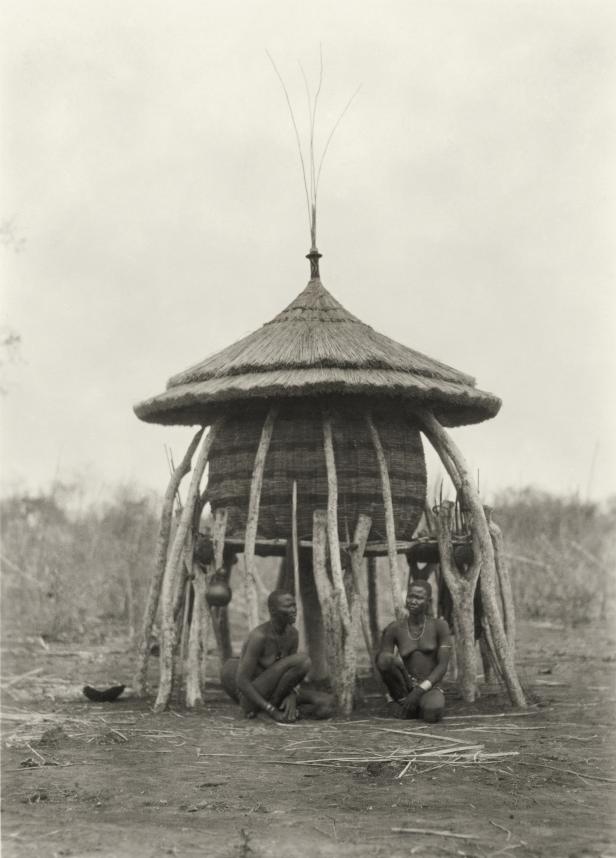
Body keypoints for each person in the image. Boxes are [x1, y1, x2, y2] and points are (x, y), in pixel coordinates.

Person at [221, 589, 334, 723]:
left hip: (277, 693)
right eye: (288, 606)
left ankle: (282, 711)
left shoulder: (293, 634)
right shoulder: (259, 637)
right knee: (303, 660)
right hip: (251, 698)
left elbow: (292, 675)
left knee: (327, 704)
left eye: (294, 605)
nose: (294, 610)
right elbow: (242, 681)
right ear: (273, 611)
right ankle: (268, 710)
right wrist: (271, 710)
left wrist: (291, 695)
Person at [376, 579, 451, 722]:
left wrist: (420, 690)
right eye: (410, 596)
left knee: (433, 713)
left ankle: (416, 706)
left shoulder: (439, 626)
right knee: (384, 657)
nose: (413, 601)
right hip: (404, 686)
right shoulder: (395, 628)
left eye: (419, 598)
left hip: (430, 686)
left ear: (429, 601)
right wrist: (390, 698)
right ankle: (403, 702)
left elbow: (442, 666)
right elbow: (382, 664)